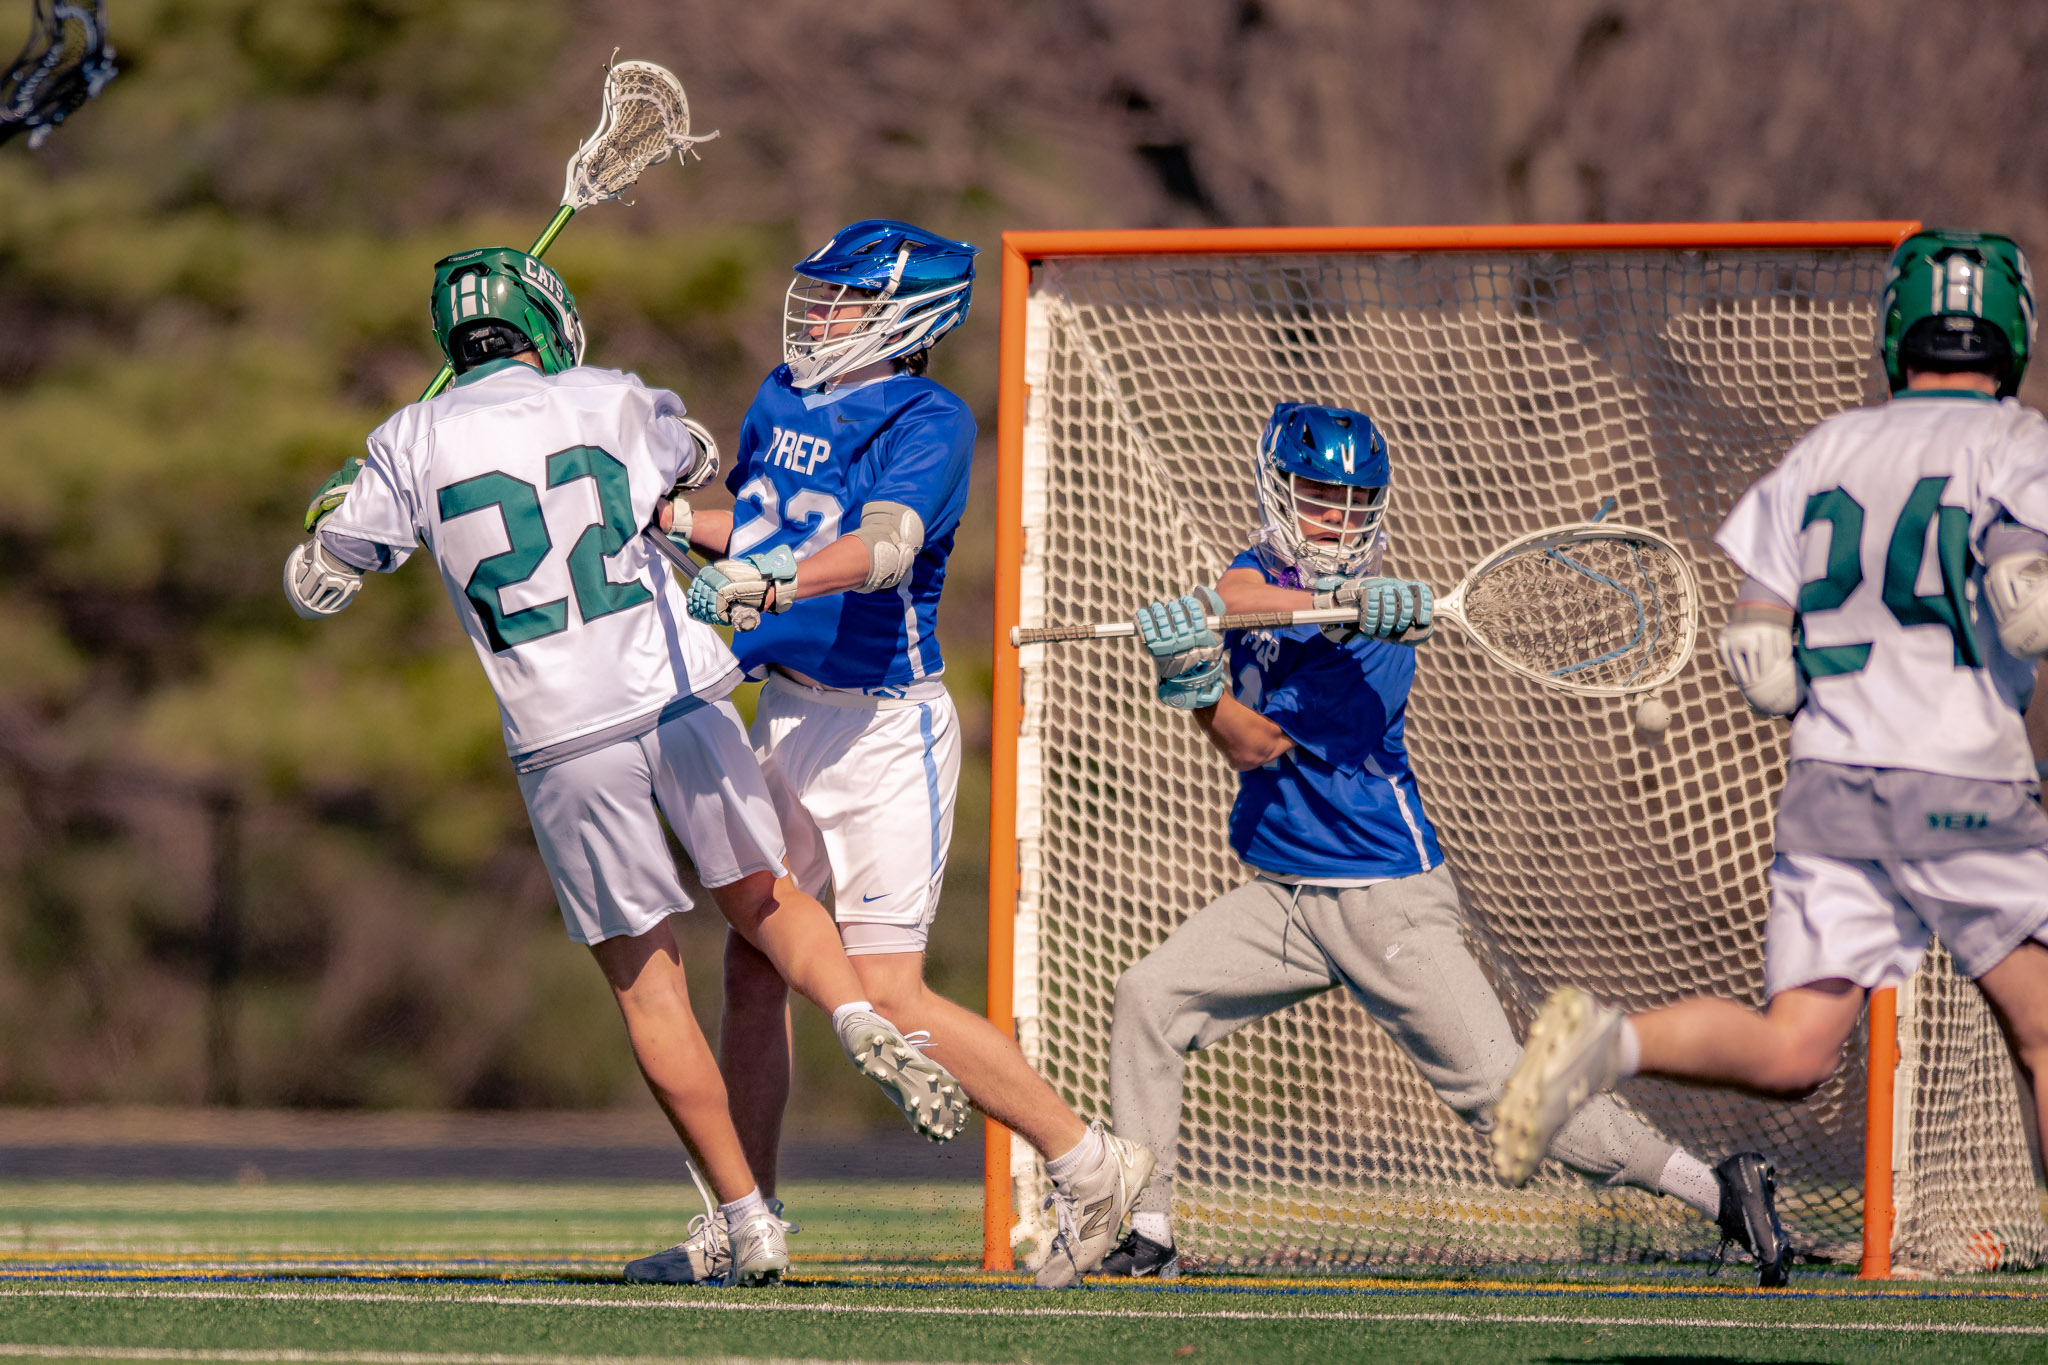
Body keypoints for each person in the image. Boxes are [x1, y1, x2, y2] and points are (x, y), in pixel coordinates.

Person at [283, 246, 967, 1287]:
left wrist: (337, 517)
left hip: (559, 735)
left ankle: (745, 1219)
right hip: (677, 692)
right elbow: (694, 465)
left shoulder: (405, 439)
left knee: (652, 993)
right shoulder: (609, 397)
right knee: (766, 898)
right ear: (545, 324)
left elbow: (319, 585)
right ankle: (860, 1017)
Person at [1102, 402, 1790, 1285]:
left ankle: (1719, 1188)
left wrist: (1194, 684)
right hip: (1286, 896)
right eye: (1317, 495)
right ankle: (1148, 1229)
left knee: (1508, 1101)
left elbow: (1253, 742)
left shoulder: (1386, 647)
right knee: (1149, 996)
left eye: (1356, 501)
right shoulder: (1266, 568)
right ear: (1277, 492)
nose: (1337, 520)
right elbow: (1234, 597)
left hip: (1383, 899)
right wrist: (1281, 614)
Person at [1492, 230, 2048, 1233]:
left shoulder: (1827, 447)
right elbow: (2022, 603)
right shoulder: (2014, 444)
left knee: (1794, 1046)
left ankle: (1607, 1043)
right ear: (2013, 330)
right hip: (1957, 774)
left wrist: (1842, 694)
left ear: (1894, 331)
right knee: (2043, 1030)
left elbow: (1753, 651)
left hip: (1831, 784)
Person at [674, 219, 1151, 1290]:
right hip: (786, 711)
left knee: (888, 992)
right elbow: (754, 525)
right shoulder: (779, 396)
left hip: (883, 726)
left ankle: (1087, 1163)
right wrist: (660, 518)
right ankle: (746, 1219)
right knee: (751, 970)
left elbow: (883, 546)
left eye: (841, 298)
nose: (818, 314)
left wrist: (778, 580)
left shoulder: (928, 416)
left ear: (903, 317)